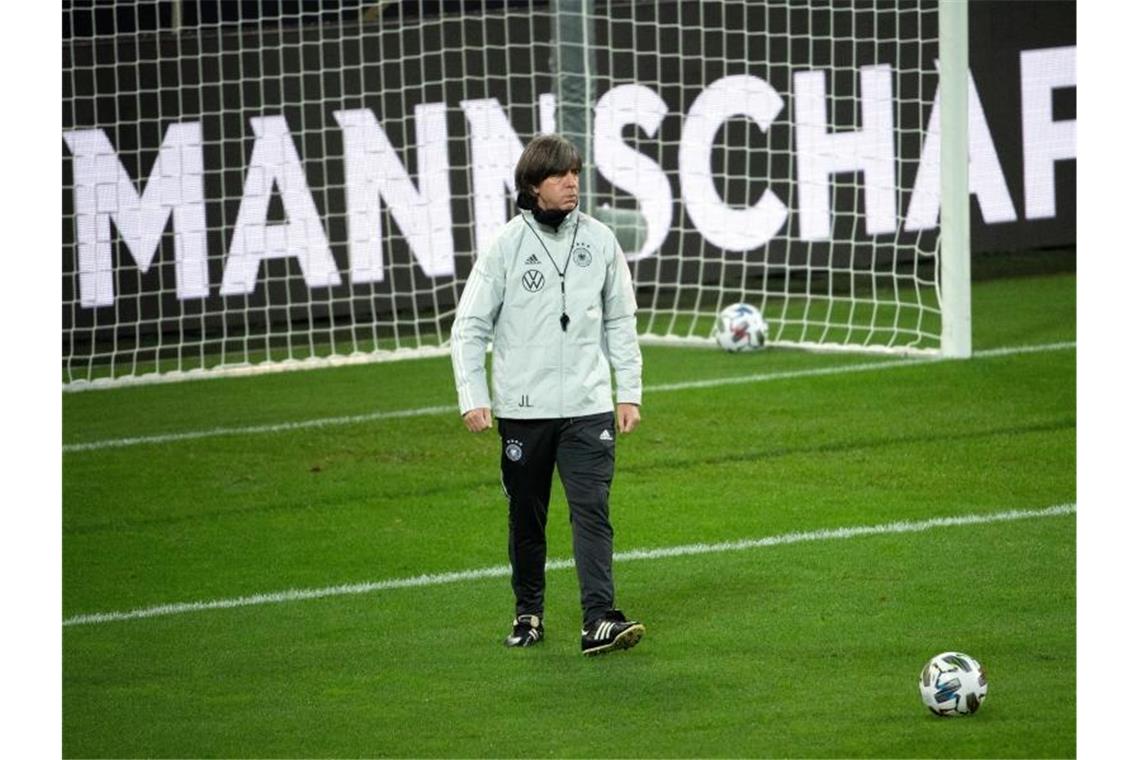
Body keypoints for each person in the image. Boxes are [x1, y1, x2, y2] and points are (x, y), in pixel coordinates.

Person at [450, 133, 645, 656]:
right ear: (533, 185)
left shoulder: (601, 240)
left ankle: (599, 618)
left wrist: (628, 391)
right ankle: (528, 612)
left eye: (576, 173)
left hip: (588, 407)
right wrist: (473, 393)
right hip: (524, 410)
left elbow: (621, 321)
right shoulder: (506, 246)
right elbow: (469, 326)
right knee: (526, 517)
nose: (572, 183)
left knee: (592, 511)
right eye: (560, 176)